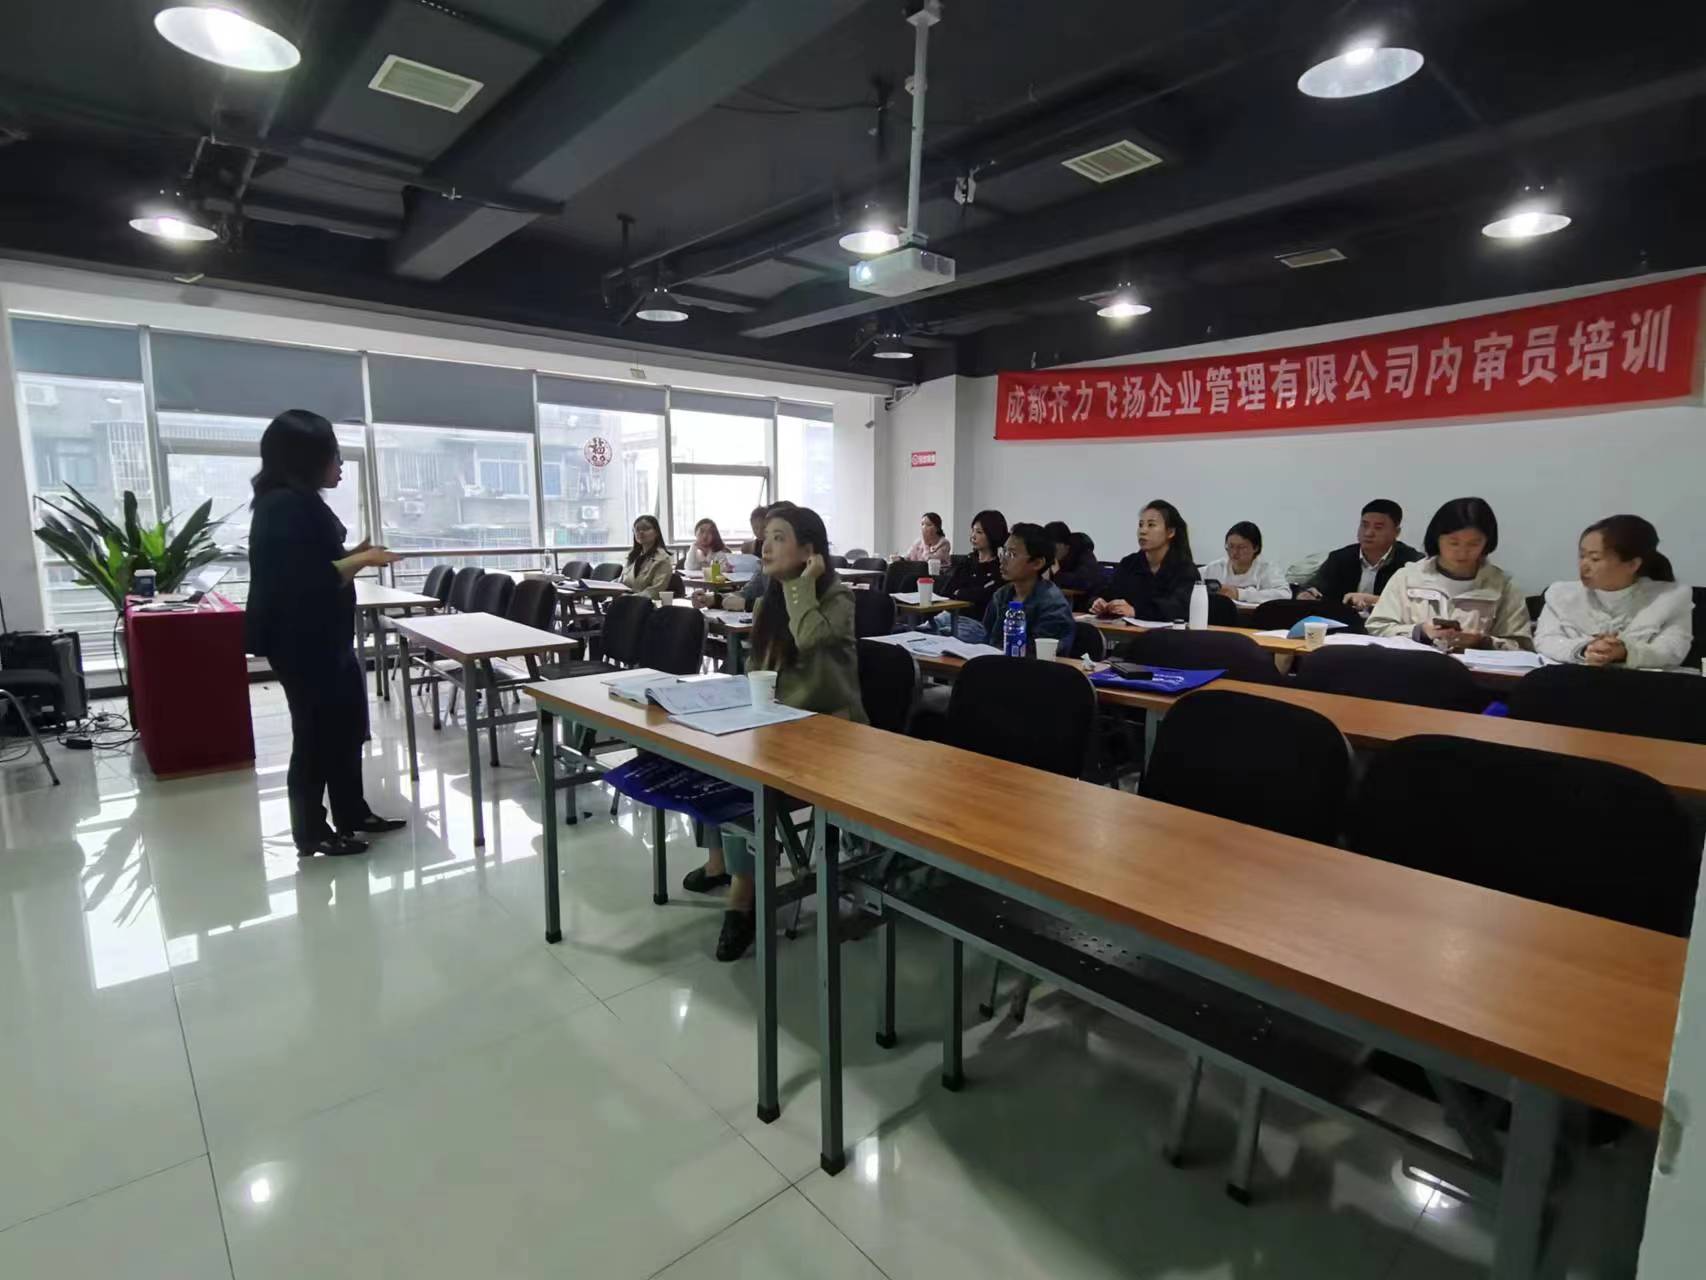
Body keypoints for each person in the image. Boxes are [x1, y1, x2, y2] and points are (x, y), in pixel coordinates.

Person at [683, 506, 866, 960]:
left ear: (810, 551)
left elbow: (810, 639)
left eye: (779, 538)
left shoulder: (838, 598)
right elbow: (758, 670)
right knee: (707, 756)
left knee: (746, 784)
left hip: (830, 737)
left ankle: (742, 899)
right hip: (777, 727)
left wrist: (802, 584)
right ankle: (720, 863)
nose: (765, 546)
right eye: (765, 537)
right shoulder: (768, 602)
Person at [245, 409, 406, 857]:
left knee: (347, 726)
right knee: (316, 735)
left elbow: (318, 559)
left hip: (327, 638)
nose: (339, 465)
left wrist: (355, 553)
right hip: (302, 642)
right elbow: (308, 579)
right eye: (332, 456)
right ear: (305, 459)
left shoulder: (300, 501)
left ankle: (352, 812)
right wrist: (362, 560)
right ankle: (311, 831)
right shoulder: (282, 505)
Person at [1367, 497, 1532, 651]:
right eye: (1454, 543)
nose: (1462, 552)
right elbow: (1377, 628)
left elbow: (1522, 647)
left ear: (1487, 542)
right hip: (1414, 666)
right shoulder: (1407, 578)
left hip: (1474, 671)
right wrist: (1420, 632)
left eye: (1474, 544)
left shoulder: (1504, 587)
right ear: (1437, 538)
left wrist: (1482, 642)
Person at [1534, 515, 1693, 668]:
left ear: (1632, 565)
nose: (1584, 566)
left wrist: (1625, 652)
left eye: (1595, 559)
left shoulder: (1670, 597)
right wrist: (1586, 649)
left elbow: (1672, 650)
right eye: (1582, 556)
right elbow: (1545, 640)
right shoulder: (1561, 595)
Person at [1299, 499, 1422, 610]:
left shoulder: (1413, 563)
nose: (1368, 533)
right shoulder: (1340, 558)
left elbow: (1416, 605)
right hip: (1345, 623)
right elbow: (1314, 586)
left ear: (1396, 532)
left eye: (1378, 528)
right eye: (1364, 525)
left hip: (1389, 625)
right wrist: (1307, 593)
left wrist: (1373, 600)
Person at [1089, 500, 1200, 621]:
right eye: (1141, 525)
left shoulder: (1185, 569)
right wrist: (1099, 602)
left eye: (1151, 525)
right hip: (1125, 631)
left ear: (1170, 532)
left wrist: (1135, 611)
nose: (1143, 531)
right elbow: (1107, 593)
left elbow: (1179, 608)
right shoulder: (1129, 563)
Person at [983, 522, 1075, 647]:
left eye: (1011, 554)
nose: (1003, 560)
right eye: (1003, 552)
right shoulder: (1001, 595)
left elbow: (1040, 652)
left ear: (1037, 563)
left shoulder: (1053, 605)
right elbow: (987, 640)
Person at [933, 509, 1009, 619]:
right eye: (972, 530)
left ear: (993, 534)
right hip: (949, 615)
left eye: (979, 532)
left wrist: (960, 593)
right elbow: (947, 591)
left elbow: (985, 596)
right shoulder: (969, 560)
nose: (973, 536)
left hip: (973, 620)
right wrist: (964, 593)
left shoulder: (1000, 566)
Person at [1200, 521, 1291, 605]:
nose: (1234, 552)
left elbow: (1285, 594)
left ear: (1256, 548)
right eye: (1230, 546)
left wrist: (1240, 594)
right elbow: (1193, 579)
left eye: (1241, 547)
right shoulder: (1216, 567)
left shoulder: (1267, 569)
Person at [620, 514, 674, 598]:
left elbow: (655, 590)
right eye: (637, 529)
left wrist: (630, 598)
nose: (641, 532)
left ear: (656, 532)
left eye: (646, 528)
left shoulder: (663, 559)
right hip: (626, 600)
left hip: (646, 603)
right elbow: (622, 581)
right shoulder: (633, 557)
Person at [1045, 521, 1101, 594]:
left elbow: (1086, 583)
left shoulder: (1083, 553)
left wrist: (1058, 574)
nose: (1051, 551)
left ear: (1064, 544)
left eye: (1053, 546)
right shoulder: (1051, 557)